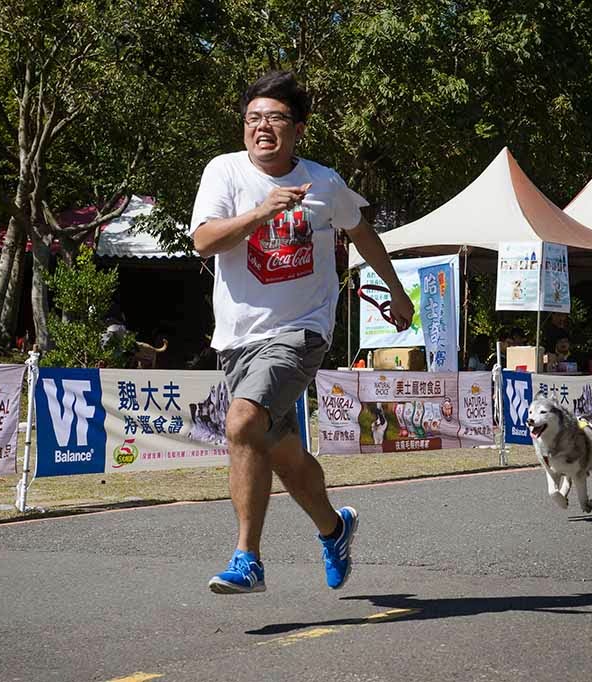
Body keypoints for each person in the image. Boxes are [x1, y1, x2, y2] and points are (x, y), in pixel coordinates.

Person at [190, 71, 414, 595]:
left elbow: (363, 232)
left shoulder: (325, 182)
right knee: (281, 453)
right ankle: (335, 529)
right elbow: (204, 241)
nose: (262, 128)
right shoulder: (224, 173)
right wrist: (261, 211)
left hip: (302, 330)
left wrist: (398, 292)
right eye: (252, 119)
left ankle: (248, 558)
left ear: (298, 128)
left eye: (274, 118)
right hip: (238, 337)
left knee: (242, 422)